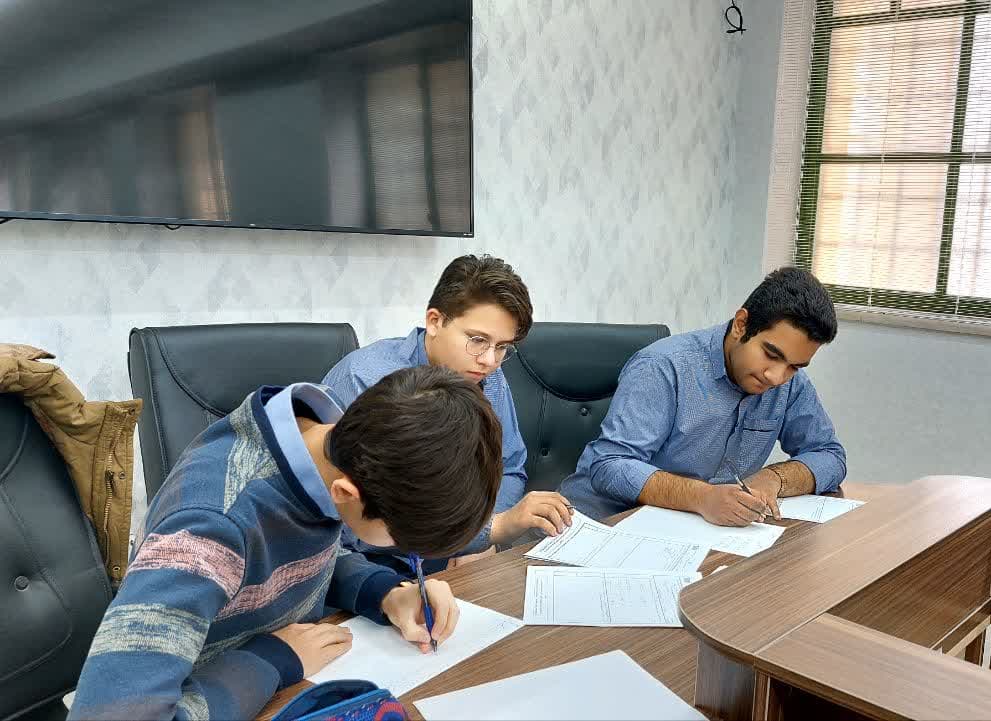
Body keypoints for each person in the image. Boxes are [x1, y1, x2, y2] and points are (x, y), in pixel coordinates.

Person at [70, 365, 502, 720]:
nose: (405, 553)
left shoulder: (327, 446)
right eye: (402, 543)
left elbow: (297, 556)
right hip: (215, 684)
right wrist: (271, 661)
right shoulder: (208, 532)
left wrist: (385, 592)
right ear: (347, 495)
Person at [324, 255, 572, 575]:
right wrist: (481, 534)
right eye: (477, 340)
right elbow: (350, 525)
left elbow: (508, 468)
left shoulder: (486, 375)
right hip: (374, 566)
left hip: (457, 554)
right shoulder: (363, 381)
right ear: (435, 321)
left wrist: (481, 533)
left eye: (502, 347)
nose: (489, 360)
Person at [561, 267, 846, 525]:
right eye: (771, 354)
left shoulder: (791, 385)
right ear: (741, 325)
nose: (776, 377)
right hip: (601, 525)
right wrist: (702, 497)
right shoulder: (662, 367)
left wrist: (774, 478)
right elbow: (609, 465)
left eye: (794, 366)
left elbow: (830, 455)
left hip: (693, 530)